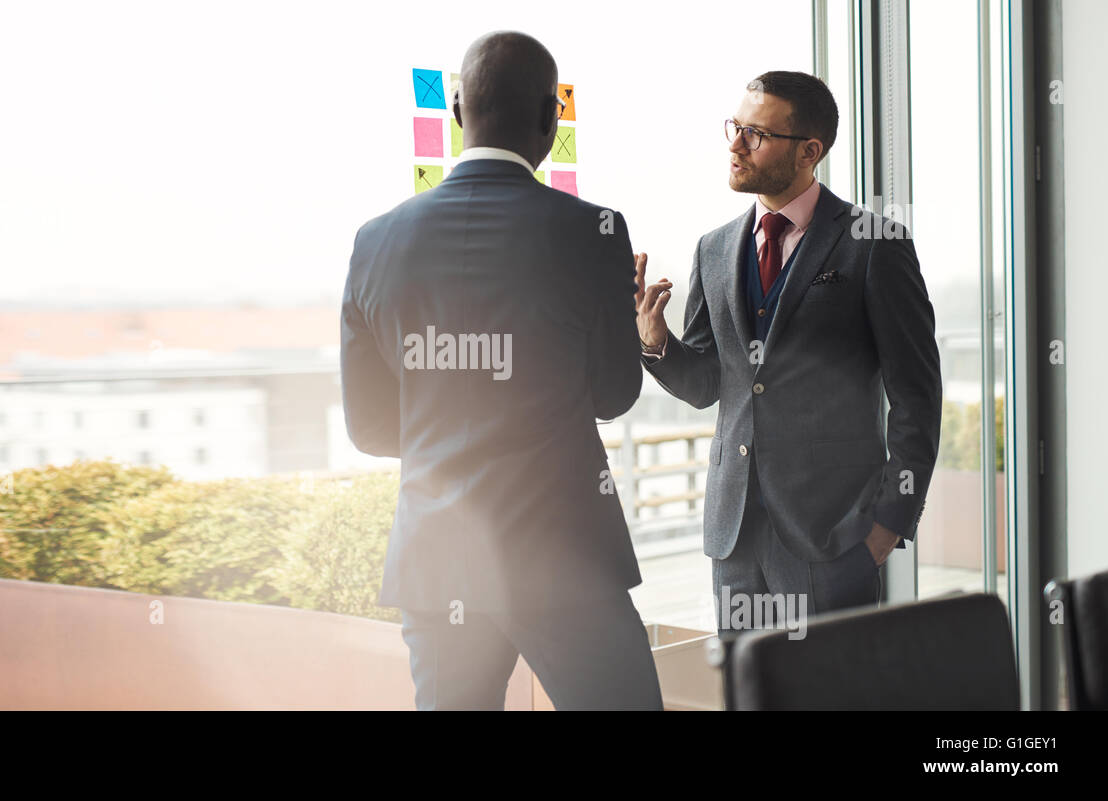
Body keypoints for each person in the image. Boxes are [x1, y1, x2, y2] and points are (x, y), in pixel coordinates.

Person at [340, 30, 661, 710]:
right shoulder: (594, 230)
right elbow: (613, 392)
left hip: (437, 561)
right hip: (563, 560)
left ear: (458, 111)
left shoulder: (374, 242)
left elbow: (369, 428)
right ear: (551, 118)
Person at [635, 71, 942, 634]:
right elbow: (708, 384)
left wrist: (889, 525)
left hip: (833, 537)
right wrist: (656, 343)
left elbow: (917, 397)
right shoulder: (714, 248)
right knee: (748, 692)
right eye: (735, 128)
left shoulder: (875, 244)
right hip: (734, 538)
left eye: (755, 134)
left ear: (810, 150)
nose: (735, 145)